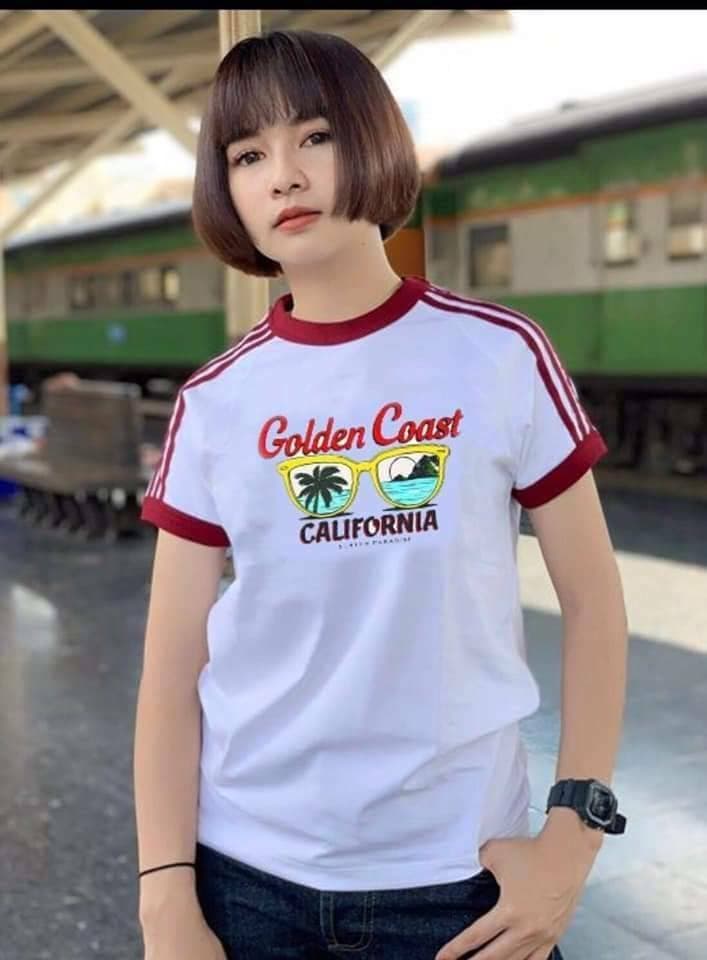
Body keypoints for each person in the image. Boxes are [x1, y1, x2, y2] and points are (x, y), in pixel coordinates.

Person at [133, 29, 629, 960]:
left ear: (373, 141)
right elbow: (170, 671)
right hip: (246, 882)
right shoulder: (215, 402)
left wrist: (572, 835)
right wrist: (165, 896)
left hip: (460, 879)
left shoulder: (498, 354)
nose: (283, 175)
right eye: (247, 155)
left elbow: (594, 600)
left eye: (314, 137)